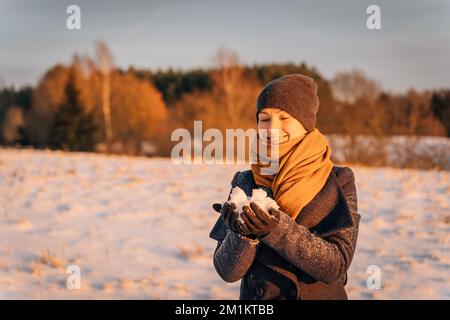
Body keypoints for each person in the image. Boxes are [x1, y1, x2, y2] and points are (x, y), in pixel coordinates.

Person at [209, 74, 361, 300]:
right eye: (264, 119)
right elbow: (227, 272)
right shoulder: (245, 181)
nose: (272, 128)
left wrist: (276, 228)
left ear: (306, 123)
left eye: (284, 118)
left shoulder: (339, 180)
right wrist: (242, 236)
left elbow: (336, 266)